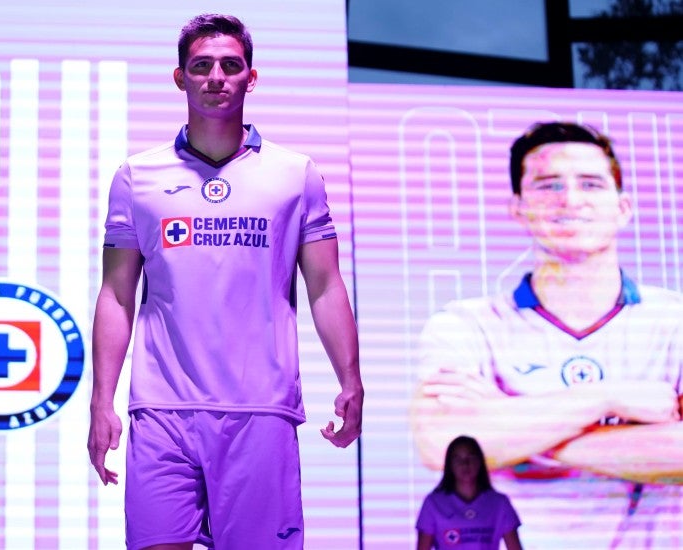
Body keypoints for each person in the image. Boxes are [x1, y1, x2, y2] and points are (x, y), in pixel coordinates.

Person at [87, 13, 363, 550]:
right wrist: (102, 401)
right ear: (180, 78)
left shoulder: (294, 174)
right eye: (202, 66)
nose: (216, 76)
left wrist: (350, 380)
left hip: (261, 410)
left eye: (230, 65)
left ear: (250, 78)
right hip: (162, 410)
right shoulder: (137, 177)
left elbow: (325, 286)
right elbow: (116, 295)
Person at [410, 121, 683, 548]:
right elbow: (440, 445)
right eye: (548, 184)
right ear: (517, 207)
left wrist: (508, 421)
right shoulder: (466, 325)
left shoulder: (675, 322)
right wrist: (605, 399)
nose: (570, 200)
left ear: (623, 208)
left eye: (591, 184)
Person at [416, 435, 522, 550]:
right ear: (449, 465)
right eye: (458, 459)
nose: (465, 464)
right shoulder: (433, 503)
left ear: (480, 461)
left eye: (471, 458)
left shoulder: (500, 503)